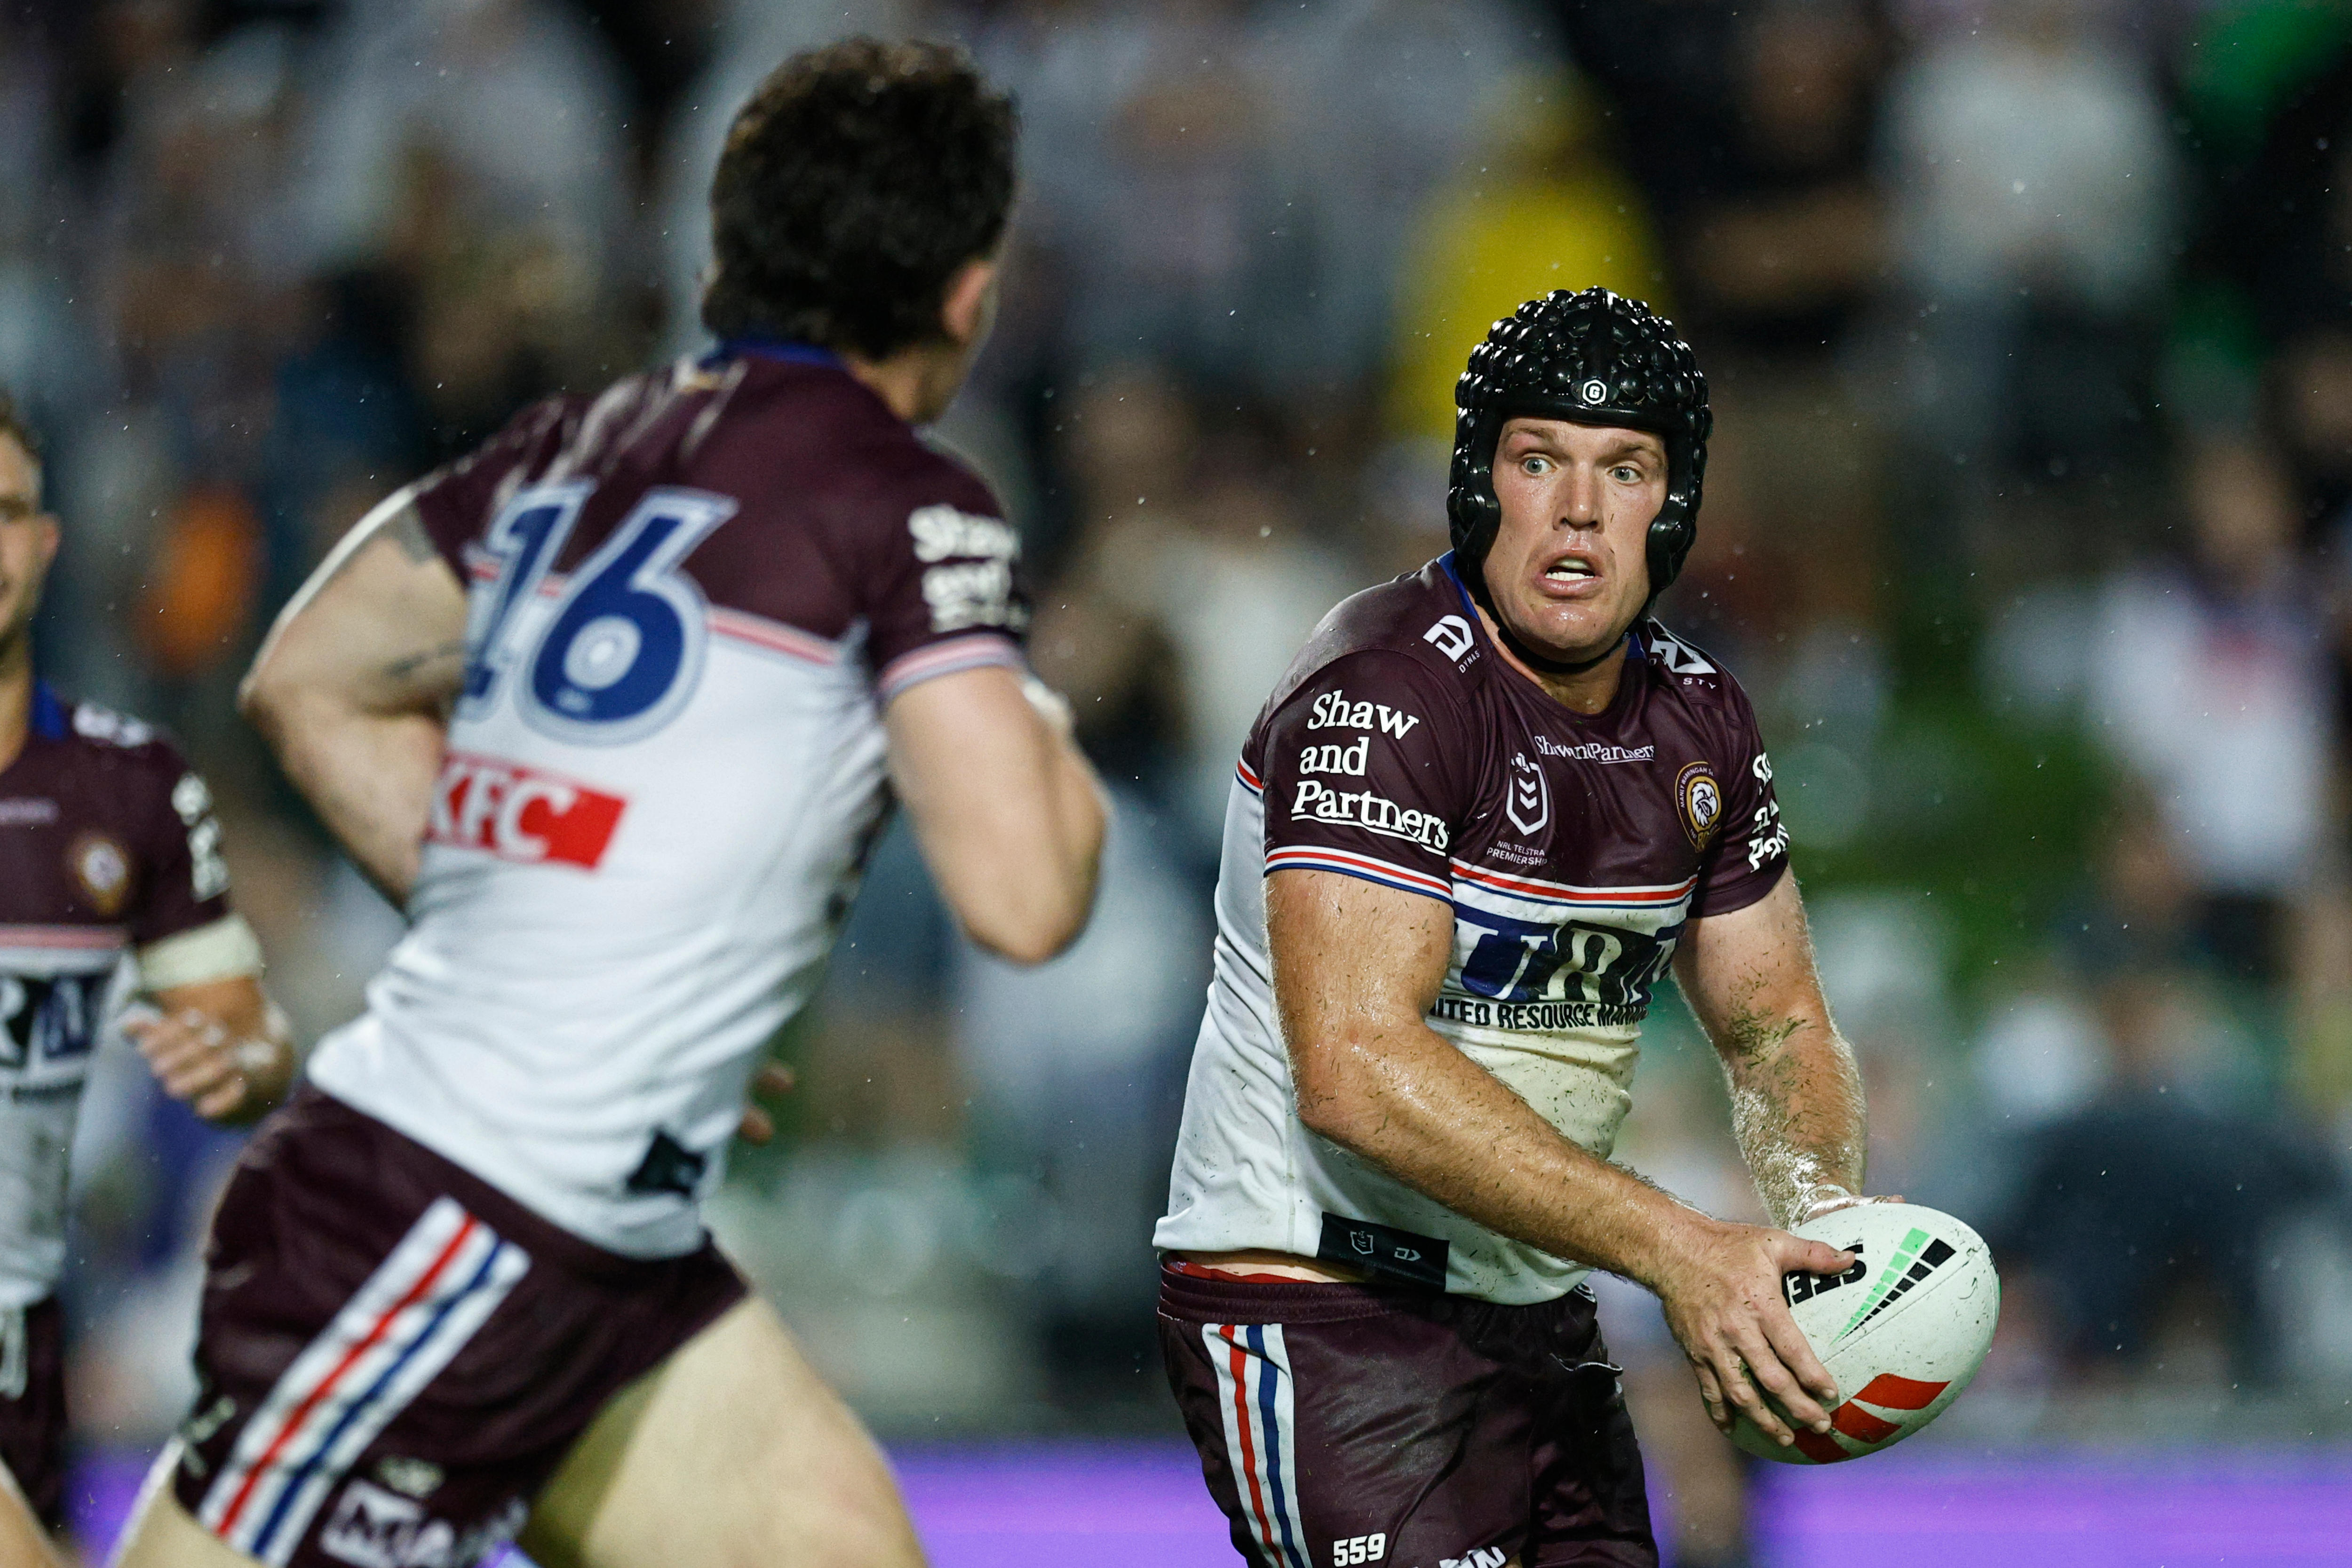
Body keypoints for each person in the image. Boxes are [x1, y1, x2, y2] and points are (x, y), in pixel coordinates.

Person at [112, 40, 1106, 1568]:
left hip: (604, 1253)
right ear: (968, 294)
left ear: (722, 261)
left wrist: (563, 940)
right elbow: (1026, 896)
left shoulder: (569, 451)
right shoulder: (909, 503)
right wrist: (1040, 716)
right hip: (447, 1219)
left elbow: (309, 677)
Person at [1153, 287, 1891, 1568]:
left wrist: (1826, 1241)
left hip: (1537, 1303)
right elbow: (1355, 1071)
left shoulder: (1706, 718)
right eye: (1539, 459)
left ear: (1675, 508)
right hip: (1320, 1302)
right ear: (1476, 484)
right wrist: (1681, 1248)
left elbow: (1776, 1025)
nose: (1580, 508)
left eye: (1626, 469)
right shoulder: (1379, 687)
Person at [0, 396, 296, 1561]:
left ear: (46, 543)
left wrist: (240, 1064)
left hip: (44, 1341)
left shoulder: (128, 789)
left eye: (7, 512)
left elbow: (250, 1045)